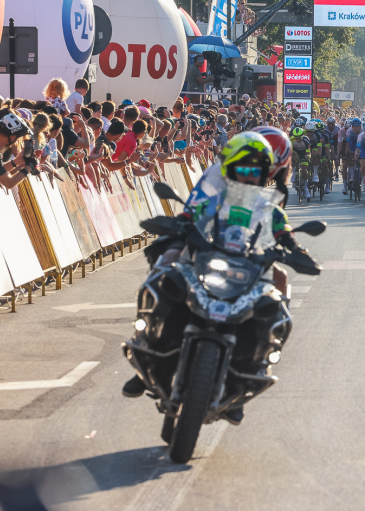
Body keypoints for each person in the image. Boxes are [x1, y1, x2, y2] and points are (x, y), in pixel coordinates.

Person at [123, 131, 312, 426]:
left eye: (261, 170)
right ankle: (144, 344)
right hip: (207, 246)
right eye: (244, 168)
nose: (252, 175)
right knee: (168, 260)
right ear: (230, 164)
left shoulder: (271, 197)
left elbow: (275, 225)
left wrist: (292, 247)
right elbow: (194, 209)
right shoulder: (215, 184)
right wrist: (180, 224)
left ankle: (258, 364)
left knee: (280, 281)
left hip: (247, 257)